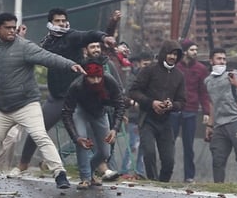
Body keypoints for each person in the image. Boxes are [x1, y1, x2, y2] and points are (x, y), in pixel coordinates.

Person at [0, 13, 84, 190]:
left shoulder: (24, 47)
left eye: (13, 28)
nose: (11, 31)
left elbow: (48, 57)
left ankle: (60, 174)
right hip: (3, 109)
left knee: (39, 135)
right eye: (7, 28)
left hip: (27, 105)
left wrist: (69, 64)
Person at [11, 9, 111, 178]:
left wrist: (103, 37)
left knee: (90, 131)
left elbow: (88, 35)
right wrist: (20, 40)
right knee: (38, 129)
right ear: (50, 23)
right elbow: (33, 53)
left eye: (64, 20)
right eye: (58, 21)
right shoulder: (48, 42)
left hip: (80, 95)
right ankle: (23, 165)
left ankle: (101, 169)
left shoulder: (72, 37)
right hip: (58, 96)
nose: (62, 24)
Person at [61, 62, 127, 188]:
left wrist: (115, 129)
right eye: (92, 77)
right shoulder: (76, 86)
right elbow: (67, 112)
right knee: (82, 139)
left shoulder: (109, 81)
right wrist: (75, 137)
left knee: (105, 152)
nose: (96, 81)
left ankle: (90, 172)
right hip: (80, 111)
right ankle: (85, 178)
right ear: (85, 76)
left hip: (100, 113)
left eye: (98, 77)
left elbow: (120, 103)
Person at [128, 40, 186, 182]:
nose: (172, 57)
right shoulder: (149, 70)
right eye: (170, 54)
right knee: (149, 153)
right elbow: (133, 91)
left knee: (169, 160)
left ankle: (163, 184)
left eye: (176, 55)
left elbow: (182, 101)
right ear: (163, 53)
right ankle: (152, 182)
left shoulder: (179, 76)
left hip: (166, 121)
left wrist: (171, 105)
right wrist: (151, 102)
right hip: (147, 119)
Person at [203, 48, 237, 184]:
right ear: (211, 61)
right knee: (217, 158)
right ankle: (218, 188)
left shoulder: (233, 74)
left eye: (224, 59)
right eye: (218, 59)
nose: (222, 62)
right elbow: (212, 103)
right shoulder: (208, 81)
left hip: (236, 119)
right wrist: (210, 125)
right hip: (219, 124)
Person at [173, 39, 210, 183]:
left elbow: (204, 92)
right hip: (175, 109)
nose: (195, 52)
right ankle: (166, 172)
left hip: (191, 110)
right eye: (192, 49)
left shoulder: (201, 69)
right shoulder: (176, 67)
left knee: (189, 145)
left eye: (196, 50)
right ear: (185, 51)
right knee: (169, 143)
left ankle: (189, 176)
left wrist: (206, 112)